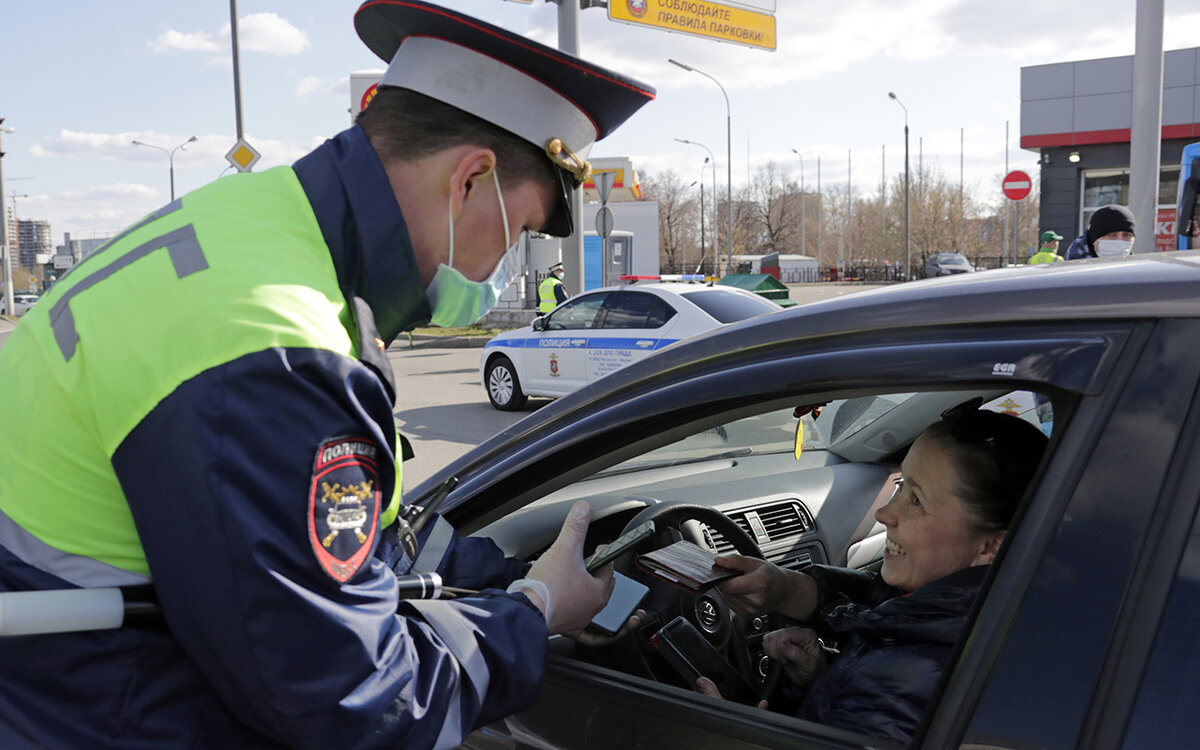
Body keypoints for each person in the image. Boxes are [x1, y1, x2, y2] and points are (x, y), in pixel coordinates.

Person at [0, 3, 654, 749]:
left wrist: (508, 572)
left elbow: (359, 537)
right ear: (469, 180)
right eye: (522, 234)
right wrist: (537, 613)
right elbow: (356, 705)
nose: (505, 267)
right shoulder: (273, 348)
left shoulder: (254, 229)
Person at [702, 403, 1048, 744]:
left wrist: (717, 736)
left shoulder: (902, 685)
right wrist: (820, 676)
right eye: (900, 486)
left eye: (917, 502)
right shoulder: (989, 615)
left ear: (991, 548)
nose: (883, 513)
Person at [1063, 204, 1136, 259]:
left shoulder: (1138, 273)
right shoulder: (1069, 273)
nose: (1120, 241)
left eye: (1127, 235)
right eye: (1111, 234)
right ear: (1093, 239)